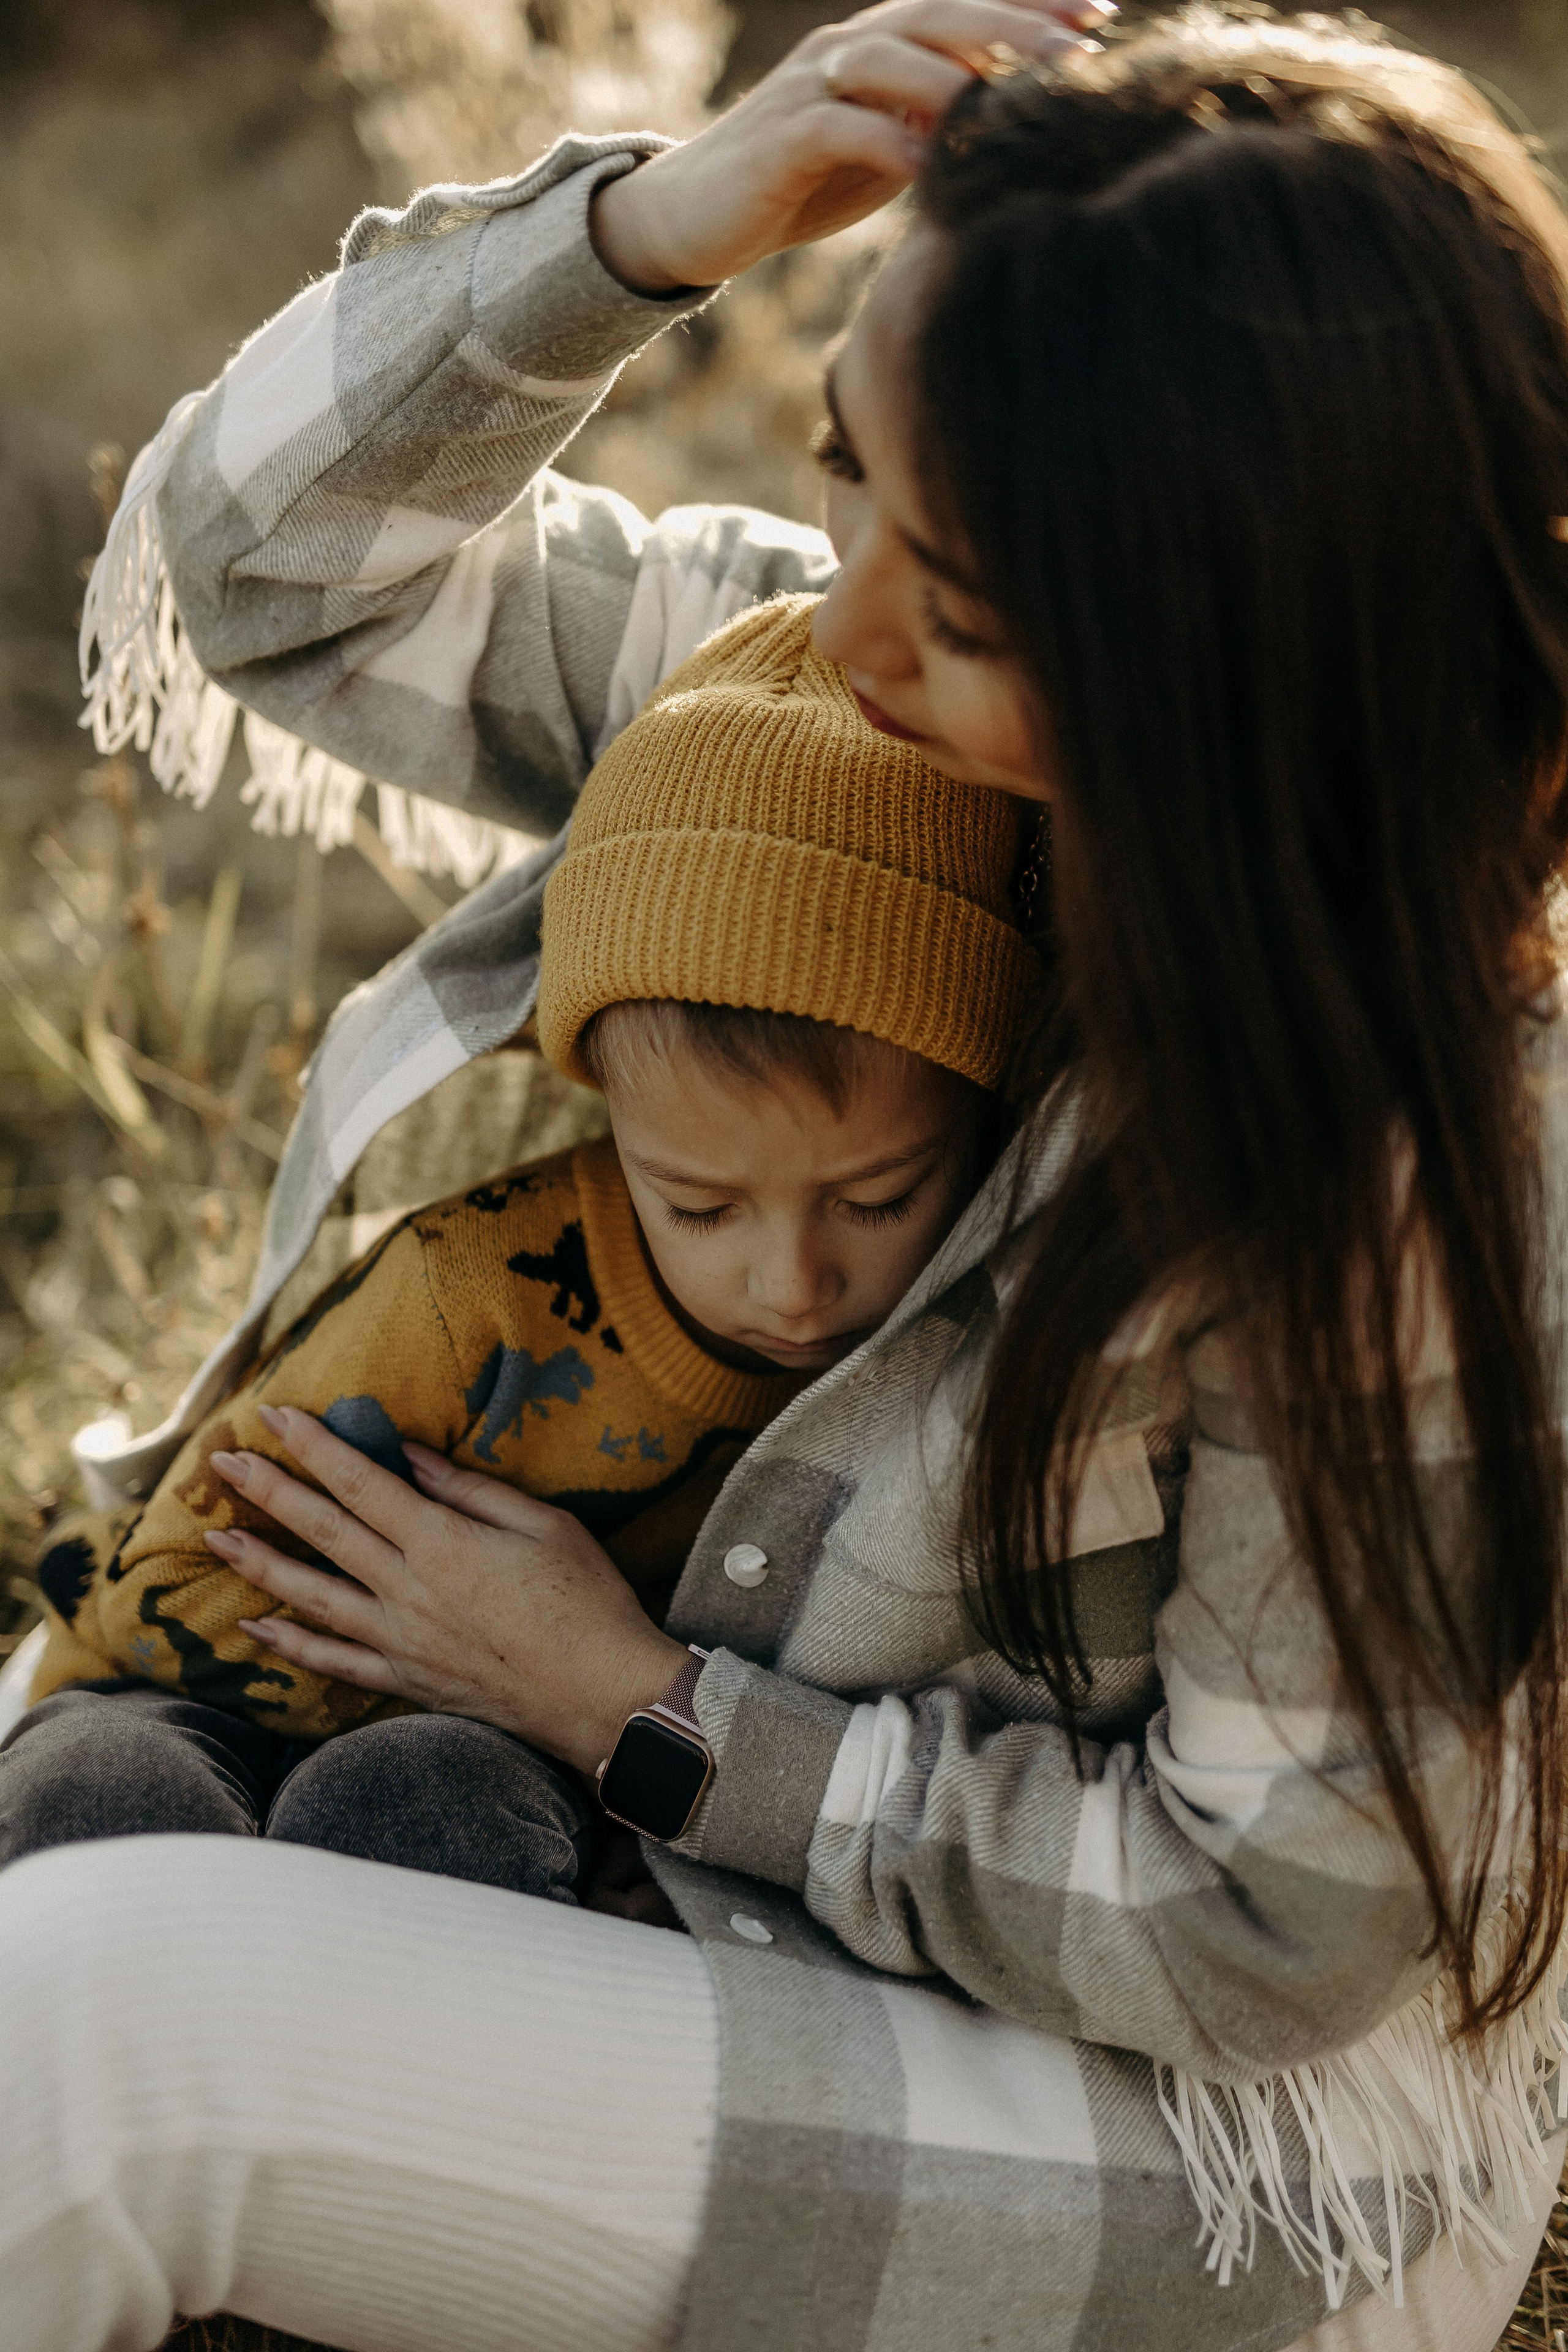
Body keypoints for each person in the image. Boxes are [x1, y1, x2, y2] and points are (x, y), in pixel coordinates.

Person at [4, 6, 1568, 2351]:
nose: (846, 634)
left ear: (1227, 666)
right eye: (853, 483)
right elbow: (264, 557)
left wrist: (629, 1700)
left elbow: (1250, 1931)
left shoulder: (1439, 1175)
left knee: (84, 2040)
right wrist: (650, 230)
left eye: (968, 607)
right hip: (701, 1887)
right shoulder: (836, 716)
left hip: (1196, 2151)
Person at [2, 596, 1028, 1901]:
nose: (792, 1285)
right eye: (699, 1209)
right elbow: (209, 1550)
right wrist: (92, 1684)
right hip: (201, 1682)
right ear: (604, 1105)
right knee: (100, 1806)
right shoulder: (467, 1295)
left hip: (520, 1737)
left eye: (876, 1199)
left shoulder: (967, 1339)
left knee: (430, 1817)